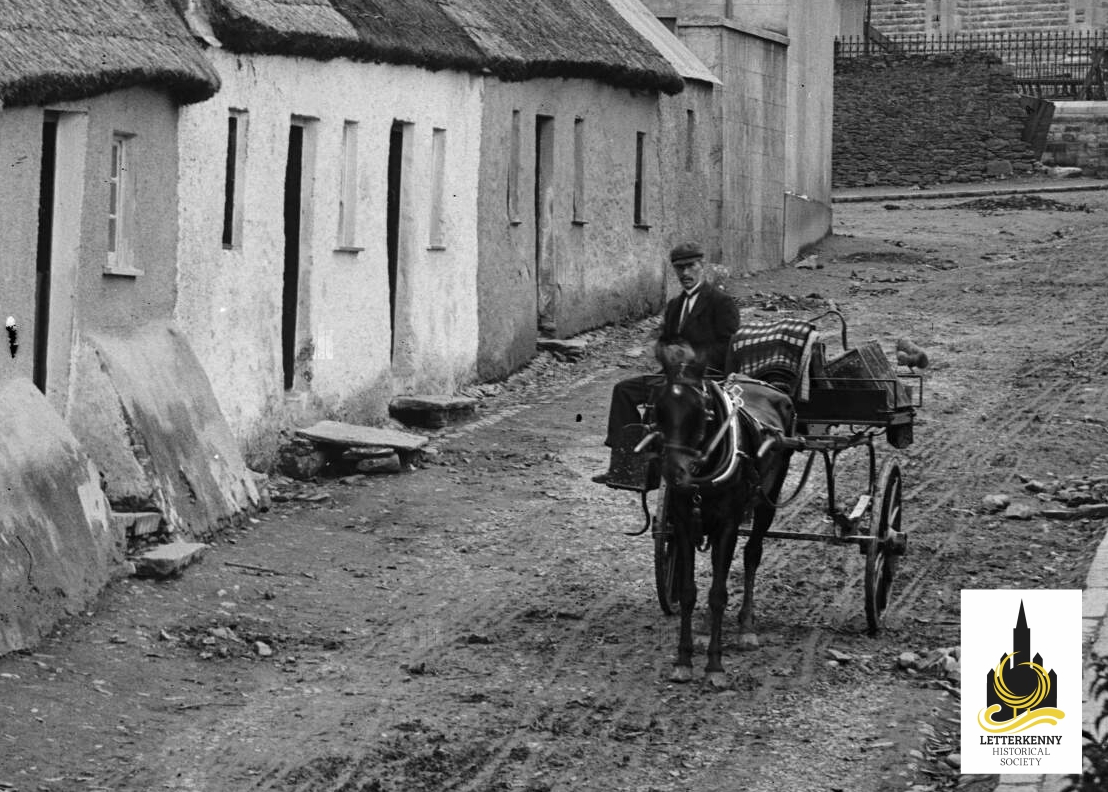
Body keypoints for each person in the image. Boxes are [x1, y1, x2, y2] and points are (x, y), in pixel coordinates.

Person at [592, 241, 740, 485]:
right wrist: (663, 350)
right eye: (679, 268)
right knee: (624, 390)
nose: (685, 273)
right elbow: (664, 341)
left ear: (702, 266)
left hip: (707, 379)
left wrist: (695, 355)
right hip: (672, 377)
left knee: (674, 404)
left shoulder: (720, 303)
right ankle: (627, 466)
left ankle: (661, 462)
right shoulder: (674, 306)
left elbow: (729, 346)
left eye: (690, 266)